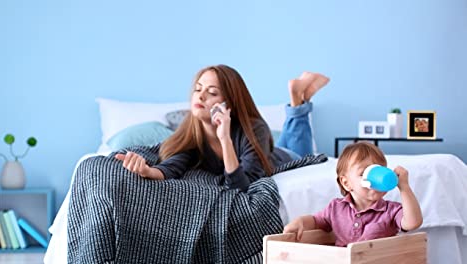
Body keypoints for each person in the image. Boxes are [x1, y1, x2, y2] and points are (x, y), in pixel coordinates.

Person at [114, 64, 329, 191]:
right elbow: (172, 167)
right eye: (198, 89)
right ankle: (300, 97)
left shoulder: (254, 129)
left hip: (280, 157)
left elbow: (242, 186)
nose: (201, 95)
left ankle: (297, 103)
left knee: (302, 153)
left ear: (230, 103)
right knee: (286, 139)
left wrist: (225, 138)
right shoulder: (192, 134)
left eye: (212, 92)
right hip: (265, 147)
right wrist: (147, 171)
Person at [283, 141, 423, 246]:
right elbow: (316, 221)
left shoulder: (390, 211)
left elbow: (413, 223)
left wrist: (404, 187)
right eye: (364, 173)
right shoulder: (336, 208)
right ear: (346, 183)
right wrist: (300, 221)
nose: (374, 178)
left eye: (378, 171)